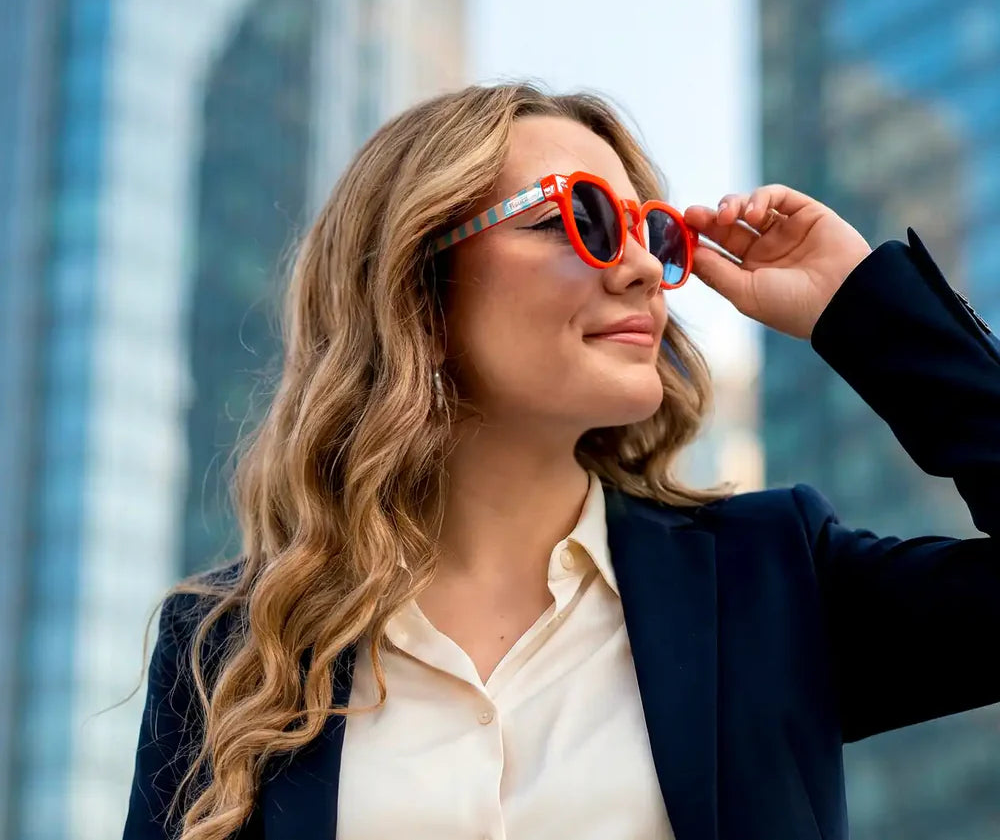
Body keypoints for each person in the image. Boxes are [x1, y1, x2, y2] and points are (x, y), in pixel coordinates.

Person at [122, 82, 1000, 840]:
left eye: (648, 232)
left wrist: (862, 304)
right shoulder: (232, 648)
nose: (643, 270)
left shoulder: (769, 578)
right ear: (418, 290)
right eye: (577, 218)